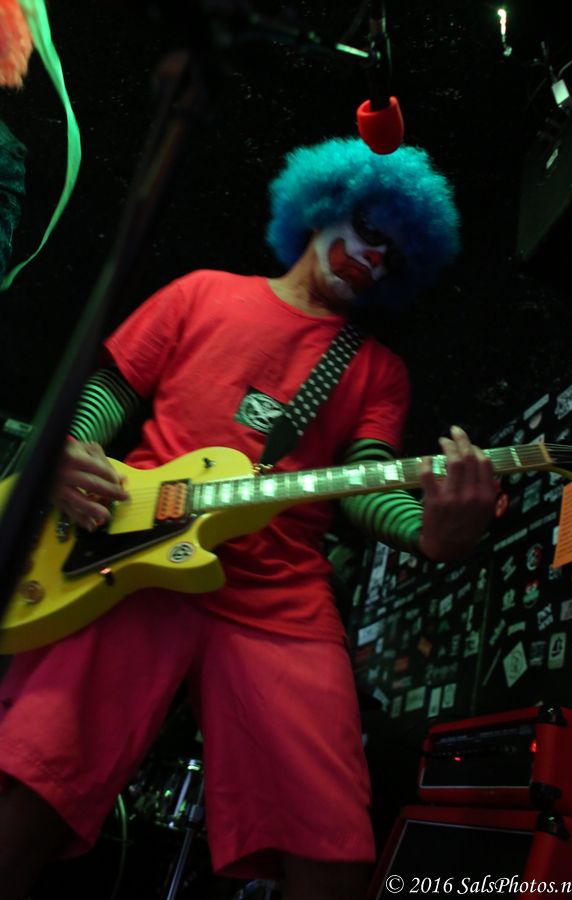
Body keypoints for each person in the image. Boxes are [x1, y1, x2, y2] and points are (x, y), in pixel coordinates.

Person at [0, 136, 496, 900]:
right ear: (325, 204)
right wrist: (63, 453)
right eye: (370, 230)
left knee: (332, 850)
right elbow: (112, 392)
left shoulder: (376, 369)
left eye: (395, 255)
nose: (374, 258)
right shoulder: (201, 292)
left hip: (280, 597)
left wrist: (429, 532)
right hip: (128, 554)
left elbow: (364, 483)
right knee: (29, 790)